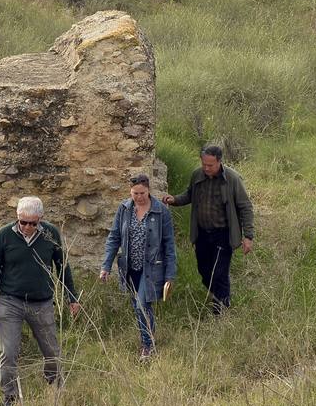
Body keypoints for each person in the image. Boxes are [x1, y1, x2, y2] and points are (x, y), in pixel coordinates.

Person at [0, 196, 80, 406]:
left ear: (40, 220)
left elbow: (62, 266)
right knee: (9, 352)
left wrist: (72, 297)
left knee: (52, 350)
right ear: (17, 218)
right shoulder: (4, 235)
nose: (27, 227)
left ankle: (54, 386)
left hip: (41, 303)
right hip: (10, 302)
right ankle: (10, 397)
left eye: (32, 223)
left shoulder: (51, 233)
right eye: (23, 222)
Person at [162, 144, 254, 314]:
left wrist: (248, 236)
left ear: (219, 162)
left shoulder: (232, 179)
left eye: (210, 165)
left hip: (223, 233)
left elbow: (245, 207)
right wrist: (174, 199)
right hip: (202, 233)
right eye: (204, 164)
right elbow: (189, 195)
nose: (206, 168)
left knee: (219, 272)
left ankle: (221, 309)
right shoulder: (197, 175)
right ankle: (216, 295)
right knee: (204, 270)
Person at [100, 174, 176, 360]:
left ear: (148, 190)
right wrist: (106, 266)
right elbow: (114, 237)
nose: (139, 197)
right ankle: (148, 337)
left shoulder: (161, 212)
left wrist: (170, 275)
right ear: (130, 192)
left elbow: (169, 245)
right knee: (138, 306)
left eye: (142, 193)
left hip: (151, 268)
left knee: (142, 304)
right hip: (130, 267)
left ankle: (147, 346)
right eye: (135, 193)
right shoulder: (124, 209)